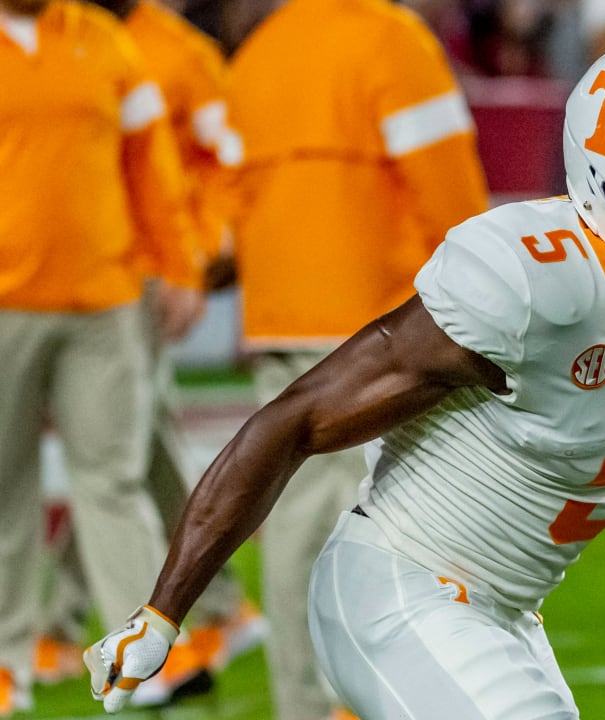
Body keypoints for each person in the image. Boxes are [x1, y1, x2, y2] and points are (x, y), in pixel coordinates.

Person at [85, 32, 605, 718]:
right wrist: (165, 610)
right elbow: (297, 420)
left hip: (502, 614)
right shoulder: (534, 280)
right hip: (398, 587)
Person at [212, 0, 489, 717]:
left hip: (281, 313)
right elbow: (450, 190)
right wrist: (487, 295)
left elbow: (229, 194)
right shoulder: (389, 38)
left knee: (298, 517)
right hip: (382, 322)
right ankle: (356, 695)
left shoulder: (260, 50)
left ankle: (307, 697)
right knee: (394, 520)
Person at [31, 0, 267, 704]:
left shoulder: (179, 54)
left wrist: (195, 257)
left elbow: (227, 162)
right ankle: (220, 602)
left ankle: (68, 621)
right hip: (75, 269)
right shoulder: (58, 36)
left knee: (112, 453)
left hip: (139, 273)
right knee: (130, 445)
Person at [0, 0, 204, 715]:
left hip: (105, 300)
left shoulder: (108, 42)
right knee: (2, 487)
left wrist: (180, 264)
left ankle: (142, 653)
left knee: (113, 479)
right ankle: (4, 661)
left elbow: (153, 164)